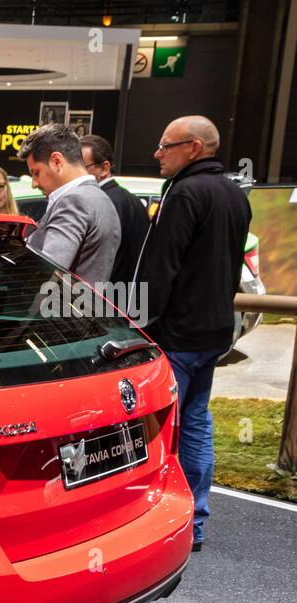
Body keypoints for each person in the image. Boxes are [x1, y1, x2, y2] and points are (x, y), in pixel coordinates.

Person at [134, 115, 251, 552]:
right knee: (198, 423)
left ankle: (158, 526)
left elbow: (161, 268)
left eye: (167, 145)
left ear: (195, 147)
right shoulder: (235, 194)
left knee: (160, 432)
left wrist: (143, 324)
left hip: (179, 335)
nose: (158, 153)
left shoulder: (184, 193)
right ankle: (196, 523)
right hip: (215, 331)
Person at [16, 123, 120, 285]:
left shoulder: (74, 201)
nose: (34, 183)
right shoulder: (103, 199)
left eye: (36, 172)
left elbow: (46, 274)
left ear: (57, 161)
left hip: (56, 308)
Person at [81, 134, 148, 285]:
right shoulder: (132, 200)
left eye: (81, 168)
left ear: (104, 168)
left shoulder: (99, 203)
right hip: (129, 298)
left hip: (104, 300)